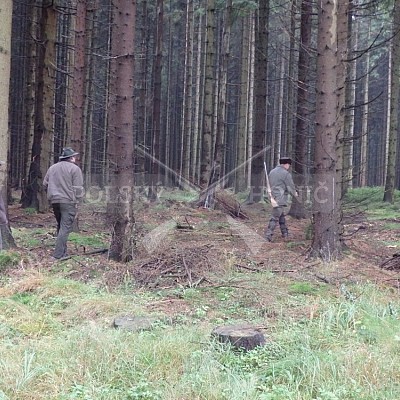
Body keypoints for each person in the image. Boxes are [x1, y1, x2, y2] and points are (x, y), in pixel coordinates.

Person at [43, 147, 84, 259]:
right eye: (74, 156)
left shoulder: (52, 168)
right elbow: (78, 188)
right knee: (65, 228)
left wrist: (51, 194)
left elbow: (44, 184)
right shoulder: (75, 169)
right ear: (71, 158)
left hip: (55, 201)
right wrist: (78, 201)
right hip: (68, 202)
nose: (76, 158)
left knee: (61, 226)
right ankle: (58, 255)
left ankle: (62, 252)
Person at [265, 157, 298, 242]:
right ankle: (268, 235)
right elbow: (290, 186)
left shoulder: (272, 172)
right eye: (289, 165)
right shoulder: (285, 174)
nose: (289, 167)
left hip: (273, 197)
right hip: (280, 198)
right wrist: (295, 194)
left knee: (281, 216)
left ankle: (285, 233)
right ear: (286, 164)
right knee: (275, 217)